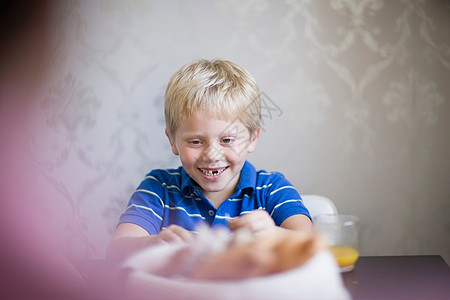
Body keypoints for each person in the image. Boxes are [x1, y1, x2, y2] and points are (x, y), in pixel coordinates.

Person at [107, 59, 312, 260]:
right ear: (172, 140)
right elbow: (115, 251)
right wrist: (152, 244)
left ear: (252, 138)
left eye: (227, 140)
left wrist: (274, 235)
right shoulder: (158, 188)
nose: (212, 155)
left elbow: (310, 245)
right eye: (196, 142)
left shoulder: (272, 189)